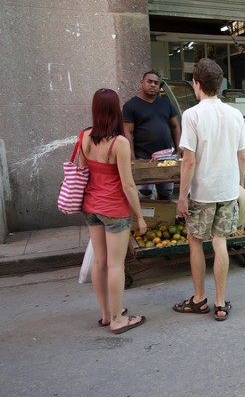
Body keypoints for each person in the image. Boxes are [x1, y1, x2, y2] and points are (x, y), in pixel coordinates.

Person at [173, 58, 245, 321]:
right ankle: (220, 303)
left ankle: (199, 299)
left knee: (195, 242)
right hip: (227, 191)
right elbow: (243, 156)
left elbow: (189, 160)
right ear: (220, 85)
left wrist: (181, 197)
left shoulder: (192, 115)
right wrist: (238, 186)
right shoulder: (235, 114)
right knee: (220, 243)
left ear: (196, 84)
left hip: (203, 192)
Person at [80, 89, 147, 334]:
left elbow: (81, 171)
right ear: (116, 110)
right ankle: (119, 319)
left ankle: (106, 314)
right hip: (114, 209)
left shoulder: (84, 136)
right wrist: (140, 216)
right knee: (116, 265)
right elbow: (128, 184)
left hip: (91, 207)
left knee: (100, 261)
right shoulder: (119, 143)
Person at [123, 70, 182, 200]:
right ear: (141, 83)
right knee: (145, 195)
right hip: (143, 159)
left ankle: (163, 220)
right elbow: (127, 132)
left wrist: (178, 151)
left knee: (166, 193)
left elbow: (175, 126)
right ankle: (146, 220)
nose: (153, 85)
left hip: (166, 159)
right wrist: (132, 159)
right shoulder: (131, 106)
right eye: (149, 81)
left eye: (156, 83)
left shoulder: (165, 103)